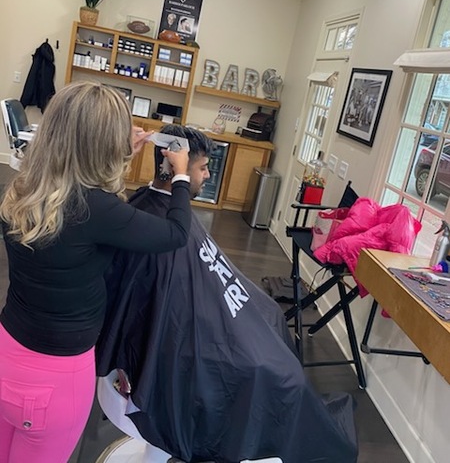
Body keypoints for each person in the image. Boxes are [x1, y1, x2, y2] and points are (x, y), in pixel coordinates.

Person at [96, 125, 358, 463]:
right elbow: (164, 317)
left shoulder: (155, 212)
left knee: (271, 317)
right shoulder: (157, 226)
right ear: (177, 168)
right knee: (279, 375)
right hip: (191, 350)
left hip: (219, 322)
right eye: (202, 167)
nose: (208, 175)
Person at [0, 82, 192, 463]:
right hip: (56, 380)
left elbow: (91, 203)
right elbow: (176, 233)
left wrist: (121, 151)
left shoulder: (22, 190)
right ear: (104, 147)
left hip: (8, 350)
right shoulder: (97, 210)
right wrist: (181, 175)